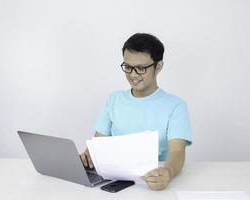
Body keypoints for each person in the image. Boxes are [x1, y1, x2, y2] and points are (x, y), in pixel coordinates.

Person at [80, 33, 192, 190]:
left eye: (140, 69)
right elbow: (98, 143)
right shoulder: (113, 100)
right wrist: (88, 156)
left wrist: (168, 171)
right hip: (114, 183)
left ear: (158, 66)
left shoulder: (176, 106)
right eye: (127, 66)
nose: (132, 75)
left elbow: (177, 152)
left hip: (152, 181)